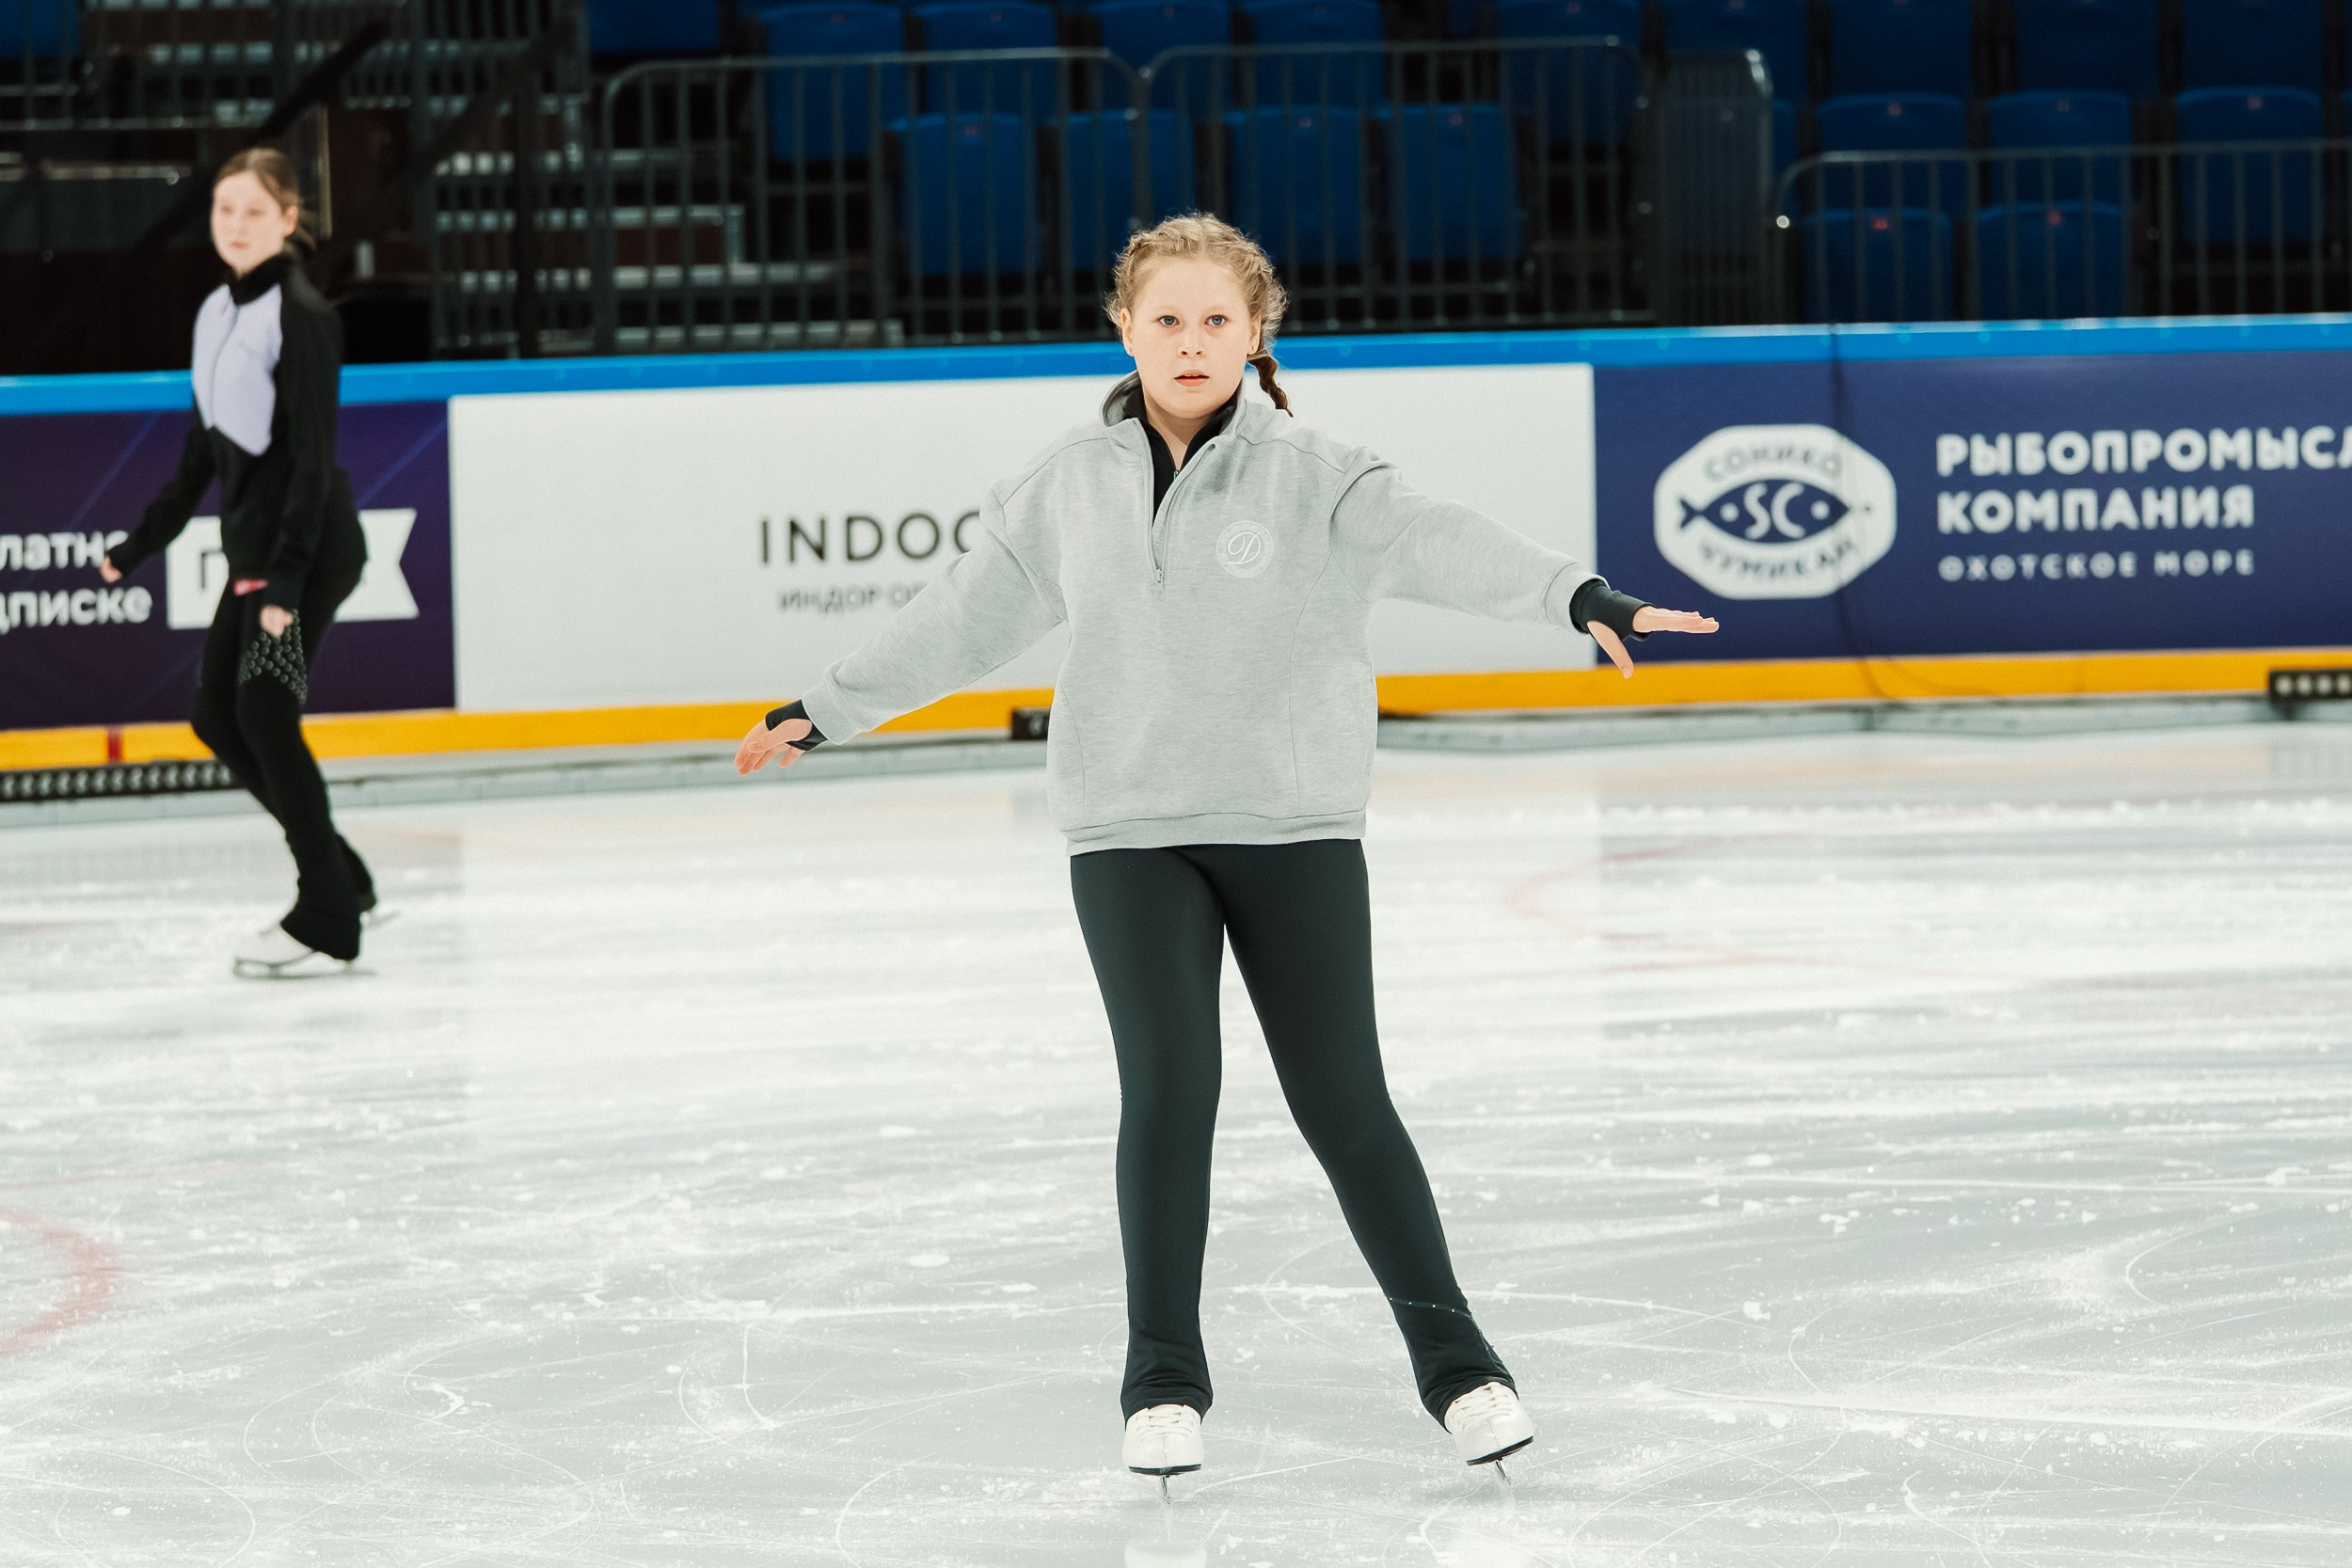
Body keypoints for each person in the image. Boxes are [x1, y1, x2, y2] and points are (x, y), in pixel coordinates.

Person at [735, 214, 1719, 1480]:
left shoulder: (1324, 476)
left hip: (1292, 823)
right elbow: (960, 621)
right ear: (1122, 328)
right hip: (1129, 830)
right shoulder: (1063, 486)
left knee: (1344, 1101)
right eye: (1167, 320)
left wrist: (1578, 594)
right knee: (1169, 1090)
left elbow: (1442, 538)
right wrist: (825, 707)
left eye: (1215, 321)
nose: (1190, 341)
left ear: (1258, 333)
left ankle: (1463, 1370)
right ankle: (1163, 1378)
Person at [102, 147, 373, 979]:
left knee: (262, 713)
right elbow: (204, 448)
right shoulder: (219, 311)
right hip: (259, 556)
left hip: (305, 555)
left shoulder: (302, 315)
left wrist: (283, 583)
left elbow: (308, 455)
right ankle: (345, 874)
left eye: (256, 211)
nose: (237, 225)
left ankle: (327, 912)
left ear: (290, 219)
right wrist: (142, 541)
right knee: (219, 716)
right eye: (225, 210)